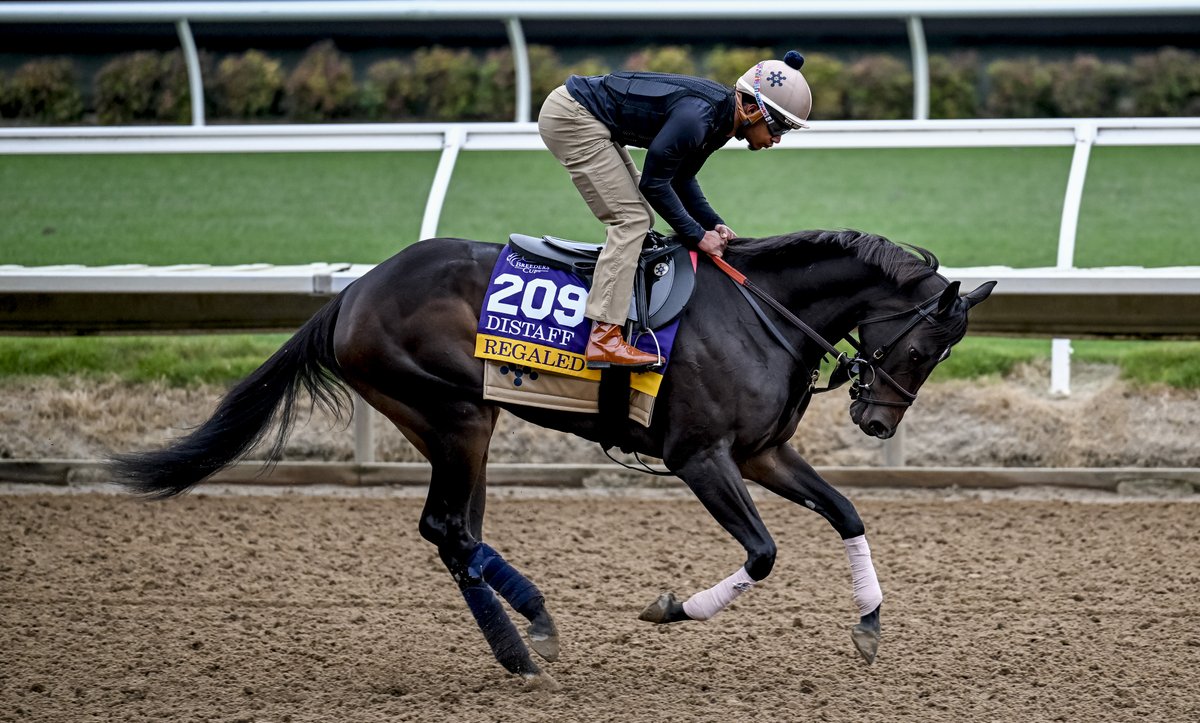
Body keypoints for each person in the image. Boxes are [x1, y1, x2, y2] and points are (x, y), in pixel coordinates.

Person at [538, 51, 812, 368]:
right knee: (632, 220)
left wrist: (714, 223)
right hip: (573, 116)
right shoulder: (697, 120)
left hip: (591, 116)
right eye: (778, 126)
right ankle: (603, 337)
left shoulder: (721, 120)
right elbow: (654, 184)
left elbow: (682, 179)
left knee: (640, 216)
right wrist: (697, 236)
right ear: (750, 109)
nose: (778, 139)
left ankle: (622, 313)